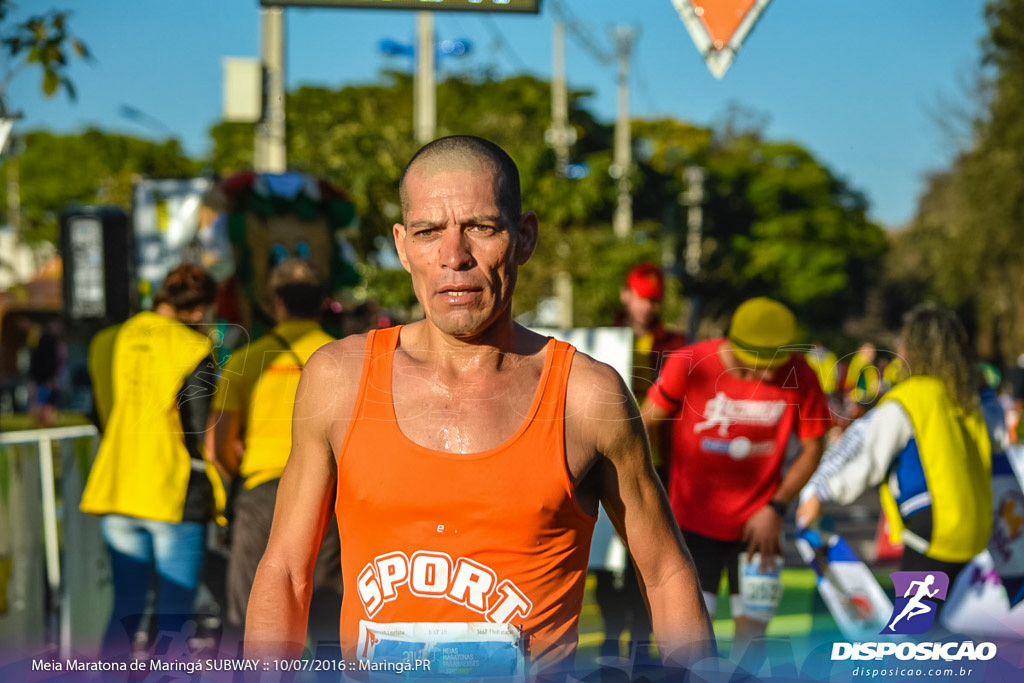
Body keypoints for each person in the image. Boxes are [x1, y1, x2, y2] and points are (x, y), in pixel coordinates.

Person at [245, 135, 714, 678]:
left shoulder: (586, 397)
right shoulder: (339, 379)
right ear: (402, 246)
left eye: (481, 228)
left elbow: (665, 572)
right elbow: (285, 572)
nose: (454, 257)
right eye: (428, 232)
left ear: (524, 237)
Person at [640, 297, 830, 651]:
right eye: (768, 363)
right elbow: (641, 424)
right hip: (691, 528)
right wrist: (654, 482)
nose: (776, 373)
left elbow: (813, 448)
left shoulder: (801, 373)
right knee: (687, 646)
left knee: (752, 640)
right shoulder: (691, 364)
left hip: (760, 531)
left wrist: (776, 508)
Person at [80, 263, 223, 658]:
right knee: (174, 617)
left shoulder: (115, 338)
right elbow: (198, 428)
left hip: (119, 487)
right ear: (199, 310)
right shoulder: (193, 346)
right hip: (172, 492)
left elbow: (99, 411)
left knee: (125, 608)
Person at [797, 304, 993, 589]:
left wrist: (820, 492)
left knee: (915, 626)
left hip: (934, 530)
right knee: (948, 622)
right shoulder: (969, 397)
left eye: (903, 340)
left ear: (914, 347)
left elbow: (864, 451)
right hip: (976, 528)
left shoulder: (910, 397)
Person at [207, 258, 341, 644]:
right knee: (329, 615)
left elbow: (216, 447)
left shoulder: (246, 360)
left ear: (275, 303)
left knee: (251, 612)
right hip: (328, 495)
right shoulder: (347, 358)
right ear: (321, 302)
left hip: (262, 494)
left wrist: (238, 475)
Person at [592, 262, 686, 661]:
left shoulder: (678, 347)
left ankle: (644, 649)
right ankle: (614, 643)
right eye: (642, 297)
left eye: (654, 299)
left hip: (659, 466)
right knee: (604, 563)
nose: (647, 307)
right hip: (604, 464)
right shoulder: (600, 342)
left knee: (646, 561)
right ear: (626, 295)